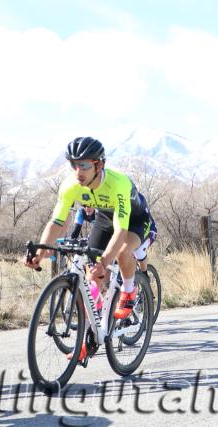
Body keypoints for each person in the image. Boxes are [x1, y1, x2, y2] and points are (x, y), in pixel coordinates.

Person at [26, 137, 153, 361]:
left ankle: (130, 290)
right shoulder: (70, 186)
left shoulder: (118, 183)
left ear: (99, 165)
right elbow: (58, 222)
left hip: (135, 221)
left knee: (122, 251)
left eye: (83, 165)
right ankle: (90, 335)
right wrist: (41, 252)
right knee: (90, 277)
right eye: (73, 165)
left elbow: (121, 232)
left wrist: (104, 262)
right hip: (105, 219)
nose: (77, 171)